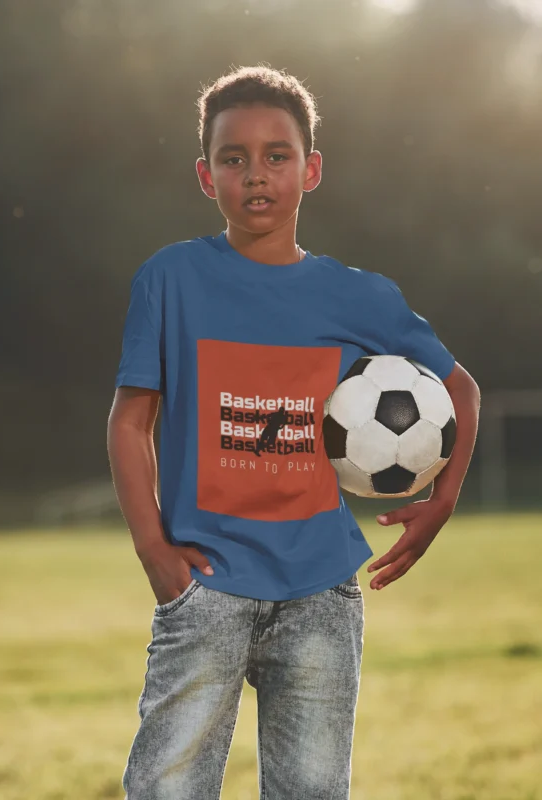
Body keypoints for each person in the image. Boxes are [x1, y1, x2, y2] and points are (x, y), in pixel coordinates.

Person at [107, 64, 481, 800]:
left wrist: (441, 501)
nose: (256, 174)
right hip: (203, 587)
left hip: (319, 594)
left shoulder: (357, 296)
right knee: (165, 790)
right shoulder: (170, 279)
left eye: (277, 155)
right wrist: (156, 552)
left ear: (310, 170)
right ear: (203, 174)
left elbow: (458, 389)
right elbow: (130, 419)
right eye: (232, 157)